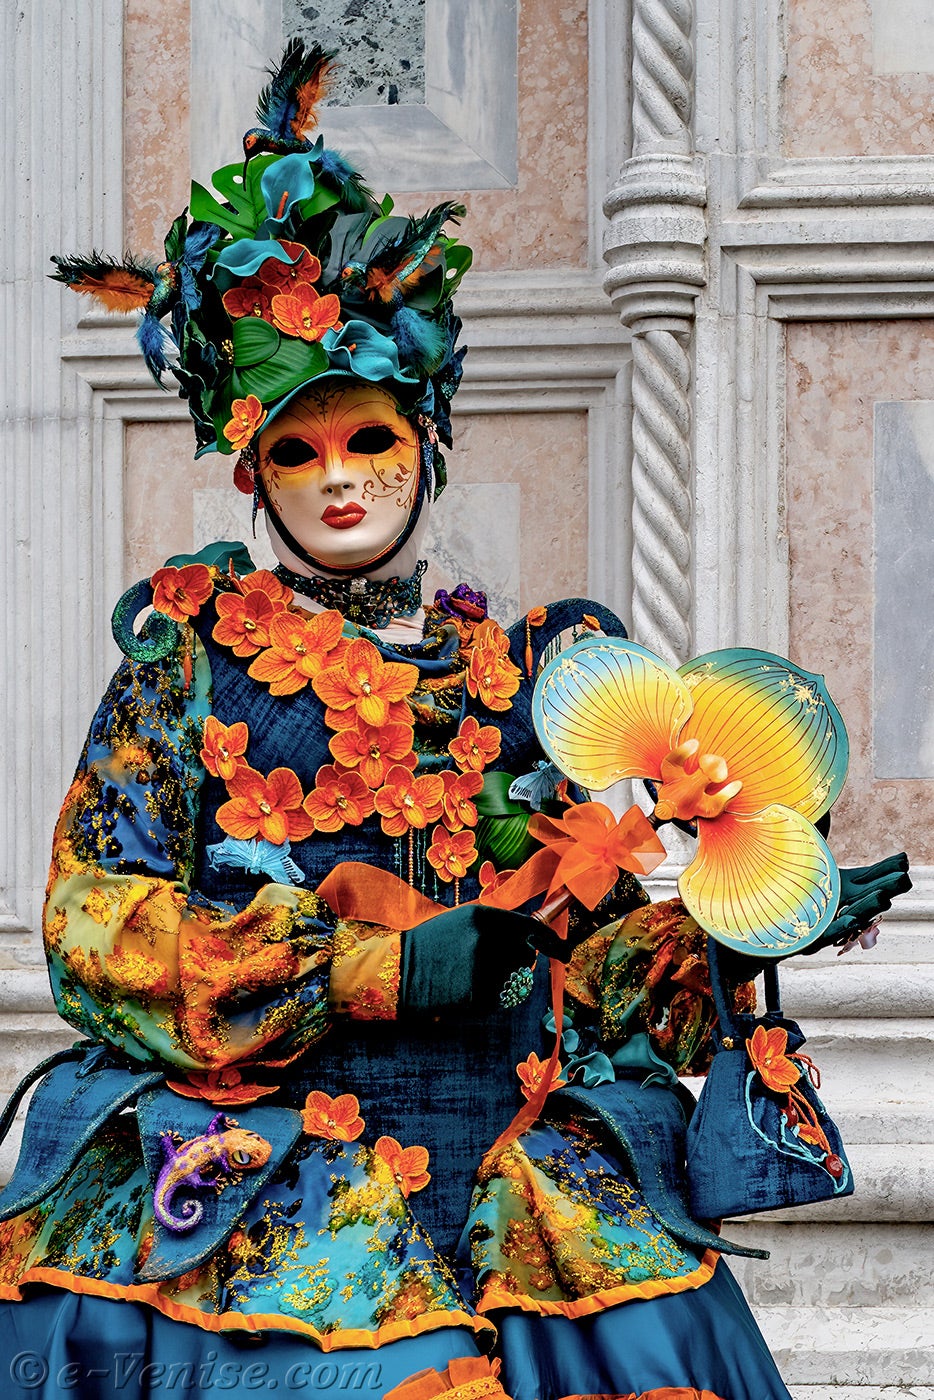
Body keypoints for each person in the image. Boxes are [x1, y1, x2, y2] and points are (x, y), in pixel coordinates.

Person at [0, 40, 910, 1400]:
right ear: (250, 470)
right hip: (275, 1193)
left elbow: (592, 966)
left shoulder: (529, 671)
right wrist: (369, 970)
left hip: (518, 1180)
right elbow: (92, 928)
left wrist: (738, 924)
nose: (339, 480)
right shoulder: (184, 663)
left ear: (425, 439)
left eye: (369, 439)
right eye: (296, 451)